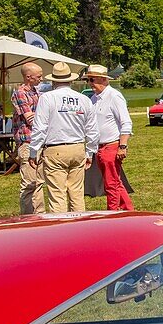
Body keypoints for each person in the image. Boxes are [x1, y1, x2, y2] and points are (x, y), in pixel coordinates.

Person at [28, 62, 99, 213]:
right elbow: (92, 129)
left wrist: (34, 151)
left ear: (53, 80)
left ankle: (61, 230)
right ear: (71, 80)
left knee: (57, 194)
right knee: (77, 193)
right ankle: (79, 226)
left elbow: (40, 127)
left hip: (55, 149)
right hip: (78, 147)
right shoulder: (84, 99)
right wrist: (90, 152)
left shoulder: (47, 98)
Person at [85, 65, 134, 210]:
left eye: (92, 79)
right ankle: (128, 211)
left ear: (103, 79)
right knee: (114, 182)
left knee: (111, 184)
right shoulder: (93, 99)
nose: (90, 83)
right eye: (88, 80)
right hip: (100, 147)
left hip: (111, 146)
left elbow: (126, 122)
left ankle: (113, 213)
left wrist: (122, 146)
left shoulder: (114, 96)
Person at [11, 63, 45, 213]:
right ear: (28, 77)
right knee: (29, 183)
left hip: (38, 141)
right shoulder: (20, 93)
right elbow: (30, 119)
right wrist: (47, 118)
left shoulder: (35, 92)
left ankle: (39, 214)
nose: (41, 78)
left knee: (38, 182)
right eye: (39, 76)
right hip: (27, 142)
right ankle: (27, 217)